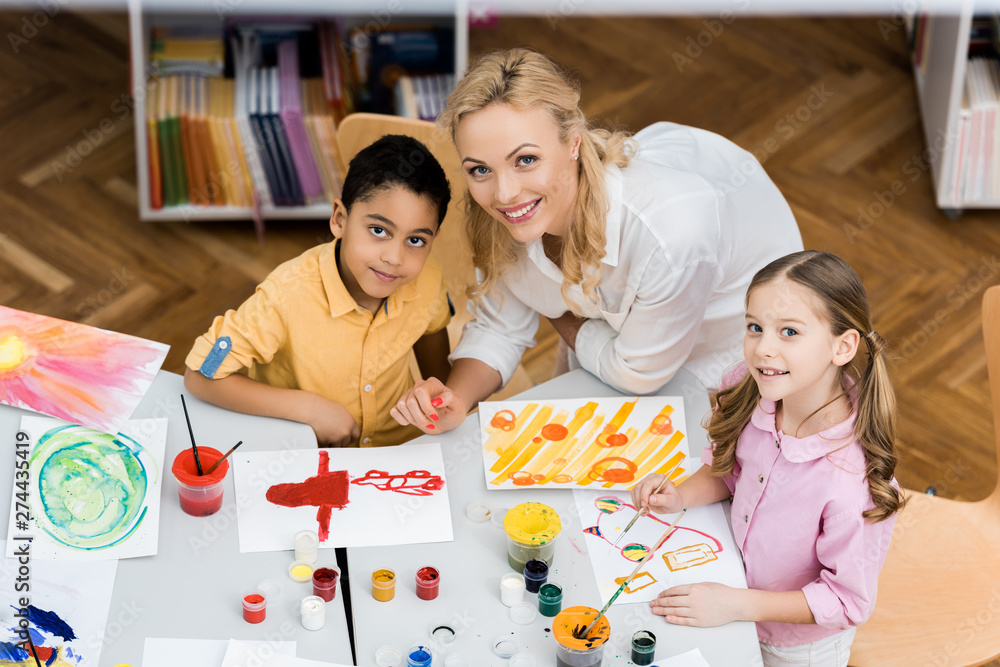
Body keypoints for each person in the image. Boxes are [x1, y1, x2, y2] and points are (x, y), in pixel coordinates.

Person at [390, 48, 802, 435]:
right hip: (611, 340)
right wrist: (457, 397)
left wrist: (556, 313)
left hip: (730, 346)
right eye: (480, 169)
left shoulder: (671, 232)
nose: (504, 193)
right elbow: (501, 326)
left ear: (574, 141)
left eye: (526, 160)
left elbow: (638, 374)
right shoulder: (508, 213)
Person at [631, 250, 904, 667]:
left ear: (842, 346)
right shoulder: (752, 389)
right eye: (755, 327)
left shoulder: (851, 481)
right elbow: (733, 472)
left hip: (792, 647)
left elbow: (846, 601)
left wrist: (736, 605)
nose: (763, 349)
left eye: (789, 332)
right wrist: (680, 495)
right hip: (728, 594)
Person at [184, 135, 453, 447]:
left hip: (402, 451)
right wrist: (309, 409)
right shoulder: (285, 295)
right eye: (379, 231)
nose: (394, 258)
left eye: (416, 240)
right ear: (340, 219)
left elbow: (440, 378)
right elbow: (202, 375)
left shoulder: (429, 277)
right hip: (308, 455)